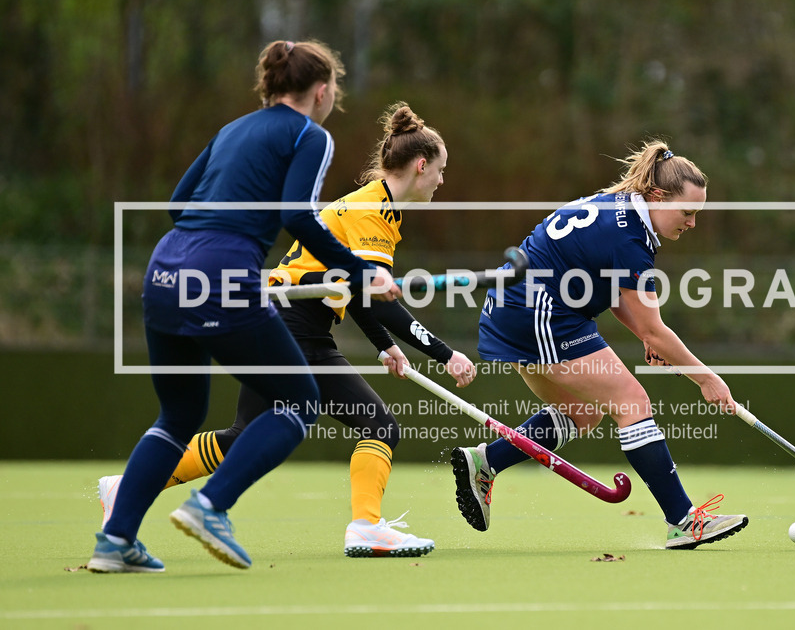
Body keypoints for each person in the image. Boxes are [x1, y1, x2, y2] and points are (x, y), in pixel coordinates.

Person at [98, 102, 475, 558]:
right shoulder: (370, 211)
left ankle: (126, 487)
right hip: (296, 326)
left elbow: (356, 290)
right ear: (421, 165)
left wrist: (383, 347)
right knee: (377, 424)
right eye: (441, 170)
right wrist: (444, 354)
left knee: (243, 434)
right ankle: (365, 528)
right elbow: (376, 295)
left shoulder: (381, 211)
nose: (442, 180)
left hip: (301, 325)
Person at [87, 40, 400, 574]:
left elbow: (177, 204)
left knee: (179, 414)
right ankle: (211, 507)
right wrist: (358, 269)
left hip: (164, 272)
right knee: (299, 399)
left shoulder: (232, 129)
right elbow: (298, 217)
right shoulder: (309, 135)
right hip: (221, 276)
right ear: (321, 91)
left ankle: (115, 541)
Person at [451, 141, 749, 550]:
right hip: (536, 311)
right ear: (658, 197)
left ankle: (486, 462)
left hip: (518, 308)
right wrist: (707, 379)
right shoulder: (629, 237)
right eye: (688, 213)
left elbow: (613, 294)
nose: (692, 223)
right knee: (632, 402)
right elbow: (656, 329)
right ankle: (683, 520)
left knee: (583, 412)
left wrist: (645, 334)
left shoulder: (622, 210)